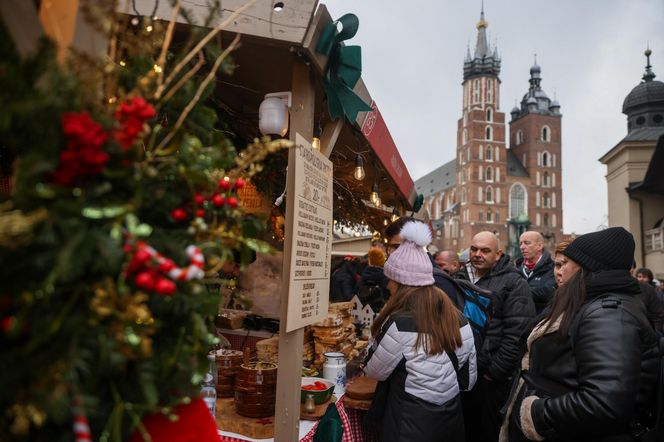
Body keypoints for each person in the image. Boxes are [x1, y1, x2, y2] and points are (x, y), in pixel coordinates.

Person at [500, 227, 660, 442]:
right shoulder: (591, 303)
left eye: (567, 263)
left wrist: (536, 413)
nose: (560, 270)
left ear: (586, 268)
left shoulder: (608, 313)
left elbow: (604, 402)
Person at [363, 220, 477, 442]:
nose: (388, 286)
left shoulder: (399, 323)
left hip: (410, 423)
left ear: (401, 282)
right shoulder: (460, 319)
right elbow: (468, 380)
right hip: (451, 421)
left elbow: (373, 370)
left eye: (391, 279)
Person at [456, 231, 535, 442]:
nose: (477, 254)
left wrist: (494, 372)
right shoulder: (460, 277)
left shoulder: (514, 282)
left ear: (498, 254)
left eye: (485, 250)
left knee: (487, 433)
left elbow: (518, 333)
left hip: (489, 379)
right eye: (474, 249)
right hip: (461, 373)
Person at [516, 231, 556, 314]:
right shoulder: (516, 269)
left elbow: (546, 293)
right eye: (521, 243)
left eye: (527, 243)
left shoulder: (552, 269)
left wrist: (516, 292)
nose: (522, 247)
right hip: (518, 322)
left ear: (539, 246)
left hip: (539, 320)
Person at [356, 247, 390, 311]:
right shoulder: (385, 278)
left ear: (369, 260)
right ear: (382, 260)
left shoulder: (363, 276)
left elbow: (356, 293)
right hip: (381, 313)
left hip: (363, 313)